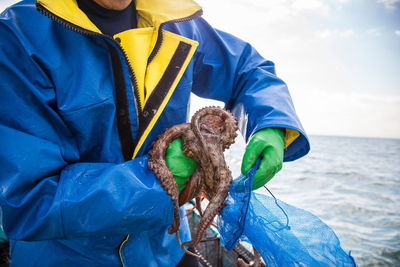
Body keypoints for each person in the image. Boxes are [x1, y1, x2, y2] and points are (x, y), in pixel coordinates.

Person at [0, 0, 310, 266]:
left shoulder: (177, 25)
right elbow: (30, 199)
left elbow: (248, 70)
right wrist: (161, 178)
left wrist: (272, 123)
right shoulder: (18, 37)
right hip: (67, 257)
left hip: (166, 249)